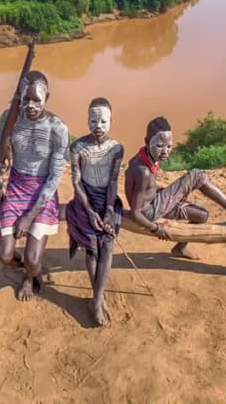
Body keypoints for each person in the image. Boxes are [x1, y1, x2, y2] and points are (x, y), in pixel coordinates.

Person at [125, 116, 226, 260]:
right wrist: (156, 229)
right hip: (148, 213)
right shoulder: (142, 170)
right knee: (196, 175)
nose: (165, 151)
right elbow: (135, 213)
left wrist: (169, 193)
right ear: (147, 141)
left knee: (202, 215)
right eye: (159, 146)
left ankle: (180, 248)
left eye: (169, 146)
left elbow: (146, 189)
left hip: (154, 202)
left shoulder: (147, 157)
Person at [0, 71, 69, 301]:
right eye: (26, 99)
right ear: (20, 98)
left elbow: (54, 177)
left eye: (37, 100)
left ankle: (30, 275)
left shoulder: (58, 128)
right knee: (4, 254)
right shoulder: (10, 118)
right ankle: (28, 267)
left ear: (48, 97)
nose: (31, 105)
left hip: (43, 191)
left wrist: (29, 216)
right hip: (16, 187)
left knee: (34, 259)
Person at [65, 97, 124, 326]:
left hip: (107, 200)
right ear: (87, 120)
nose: (98, 126)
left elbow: (112, 181)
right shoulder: (78, 147)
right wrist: (89, 211)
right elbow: (76, 182)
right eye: (93, 120)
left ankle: (97, 298)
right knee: (92, 248)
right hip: (84, 200)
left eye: (103, 121)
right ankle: (97, 299)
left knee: (107, 245)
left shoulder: (116, 149)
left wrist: (109, 210)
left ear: (110, 122)